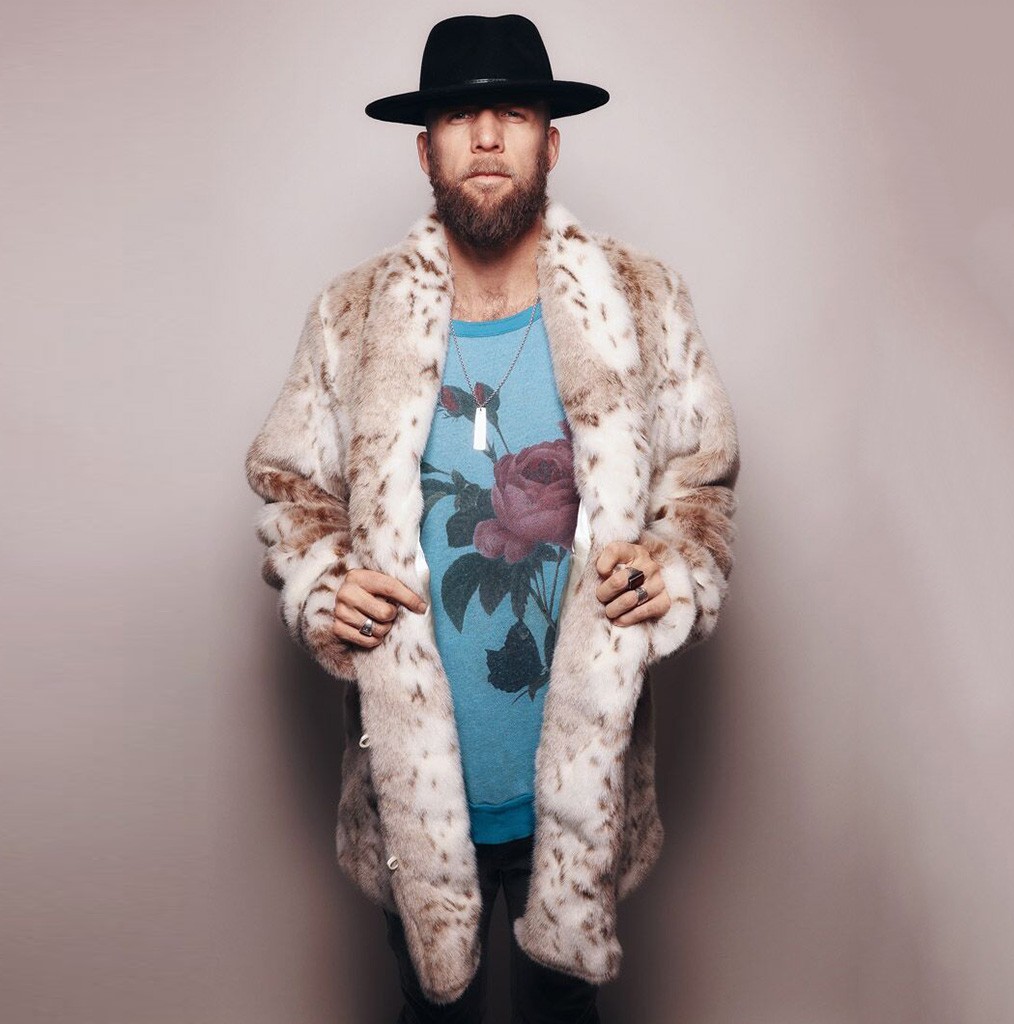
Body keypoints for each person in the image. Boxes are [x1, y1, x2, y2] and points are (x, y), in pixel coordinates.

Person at [244, 13, 740, 1023]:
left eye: (511, 114)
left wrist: (675, 563)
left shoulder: (641, 301)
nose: (483, 137)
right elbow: (291, 486)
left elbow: (701, 483)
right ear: (423, 148)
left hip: (582, 792)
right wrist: (323, 583)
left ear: (549, 144)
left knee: (564, 1016)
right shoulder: (351, 314)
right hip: (414, 795)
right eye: (457, 117)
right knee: (434, 1014)